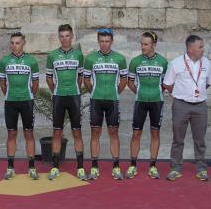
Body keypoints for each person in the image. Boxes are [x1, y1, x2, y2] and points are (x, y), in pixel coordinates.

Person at [164, 34, 211, 181]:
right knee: (178, 138)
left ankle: (201, 168)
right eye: (200, 47)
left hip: (200, 106)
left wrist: (195, 93)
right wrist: (180, 94)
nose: (203, 49)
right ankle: (175, 167)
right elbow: (168, 83)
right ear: (190, 48)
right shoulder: (176, 63)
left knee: (200, 139)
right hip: (181, 105)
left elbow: (208, 82)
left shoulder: (207, 63)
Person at [82, 28, 128, 180]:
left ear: (112, 42)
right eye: (101, 41)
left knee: (113, 133)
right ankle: (94, 167)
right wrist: (94, 91)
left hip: (112, 101)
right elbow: (86, 80)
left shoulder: (120, 59)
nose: (104, 44)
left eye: (107, 41)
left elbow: (124, 80)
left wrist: (115, 92)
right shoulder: (90, 59)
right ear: (98, 42)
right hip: (96, 100)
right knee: (95, 132)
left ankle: (116, 167)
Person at [127, 31, 169, 179]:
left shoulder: (163, 62)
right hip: (140, 102)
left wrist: (157, 92)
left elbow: (165, 83)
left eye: (146, 44)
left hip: (157, 102)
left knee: (155, 133)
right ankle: (133, 165)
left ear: (154, 45)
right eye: (141, 44)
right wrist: (139, 92)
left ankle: (152, 166)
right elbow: (130, 82)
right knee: (136, 133)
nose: (142, 47)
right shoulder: (135, 61)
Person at [45, 24, 84, 180]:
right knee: (57, 132)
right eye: (62, 36)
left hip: (74, 96)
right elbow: (49, 78)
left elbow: (81, 76)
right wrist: (56, 90)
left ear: (72, 36)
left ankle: (80, 168)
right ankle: (55, 167)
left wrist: (75, 88)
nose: (65, 39)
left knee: (77, 132)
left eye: (67, 36)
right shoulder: (52, 55)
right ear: (58, 37)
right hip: (59, 97)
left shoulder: (79, 55)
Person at [0, 32, 40, 180]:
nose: (14, 46)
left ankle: (32, 167)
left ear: (23, 43)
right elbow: (2, 83)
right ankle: (10, 167)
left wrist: (30, 96)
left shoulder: (31, 61)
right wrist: (10, 95)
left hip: (27, 101)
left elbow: (36, 83)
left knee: (29, 133)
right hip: (10, 102)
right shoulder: (4, 61)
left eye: (17, 43)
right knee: (11, 134)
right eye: (12, 43)